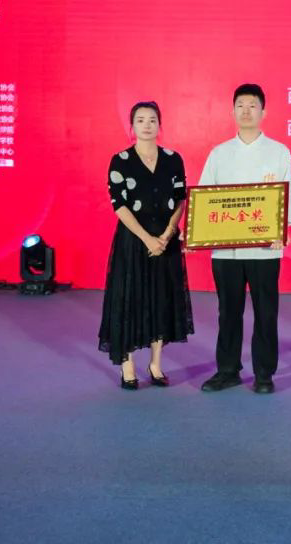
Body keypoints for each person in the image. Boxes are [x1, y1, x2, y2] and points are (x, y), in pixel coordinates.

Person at [198, 83, 291, 395]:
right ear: (232, 112)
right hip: (226, 251)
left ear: (263, 112)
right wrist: (202, 232)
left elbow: (287, 196)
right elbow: (205, 198)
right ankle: (227, 370)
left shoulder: (278, 151)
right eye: (240, 105)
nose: (246, 110)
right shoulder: (219, 153)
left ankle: (264, 373)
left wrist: (281, 231)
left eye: (252, 105)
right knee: (228, 311)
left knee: (266, 312)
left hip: (265, 249)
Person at [99, 101, 193, 389]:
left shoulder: (173, 159)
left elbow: (180, 198)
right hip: (134, 240)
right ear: (132, 126)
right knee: (130, 300)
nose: (147, 125)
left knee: (161, 299)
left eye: (152, 120)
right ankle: (127, 366)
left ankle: (155, 365)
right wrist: (147, 238)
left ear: (160, 124)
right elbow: (119, 205)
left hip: (166, 240)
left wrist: (168, 232)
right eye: (140, 120)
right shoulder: (121, 160)